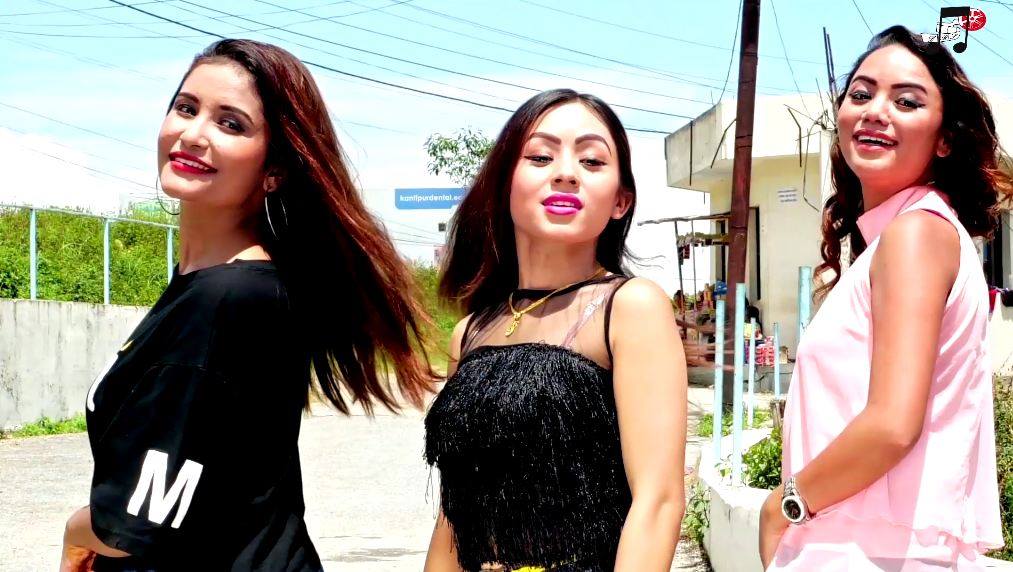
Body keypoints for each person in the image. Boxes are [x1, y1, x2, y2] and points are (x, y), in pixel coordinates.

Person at [60, 39, 436, 571]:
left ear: (275, 170)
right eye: (186, 108)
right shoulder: (210, 284)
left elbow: (137, 519)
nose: (194, 134)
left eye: (230, 124)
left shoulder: (230, 297)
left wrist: (74, 534)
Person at [760, 26, 1010, 571]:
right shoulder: (906, 236)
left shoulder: (915, 233)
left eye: (907, 102)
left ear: (945, 139)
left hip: (870, 552)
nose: (876, 111)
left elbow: (893, 424)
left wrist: (784, 505)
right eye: (861, 93)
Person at [423, 89, 688, 572]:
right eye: (541, 157)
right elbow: (454, 517)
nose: (566, 173)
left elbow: (659, 501)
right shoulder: (469, 332)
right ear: (505, 184)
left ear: (620, 201)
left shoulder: (630, 307)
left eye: (592, 161)